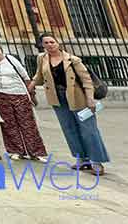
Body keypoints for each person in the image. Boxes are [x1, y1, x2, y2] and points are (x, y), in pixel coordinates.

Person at [29, 33, 109, 174]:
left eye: (52, 42)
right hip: (58, 99)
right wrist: (32, 84)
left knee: (88, 130)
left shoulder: (73, 60)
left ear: (58, 42)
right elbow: (39, 75)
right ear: (42, 45)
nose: (49, 45)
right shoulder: (42, 58)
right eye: (46, 43)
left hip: (78, 97)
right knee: (69, 129)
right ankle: (82, 159)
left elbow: (86, 80)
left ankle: (97, 161)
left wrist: (90, 99)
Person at [0, 37, 47, 161]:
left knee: (27, 124)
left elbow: (25, 76)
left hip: (19, 94)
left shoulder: (10, 59)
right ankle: (15, 150)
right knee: (7, 124)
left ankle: (36, 152)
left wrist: (31, 92)